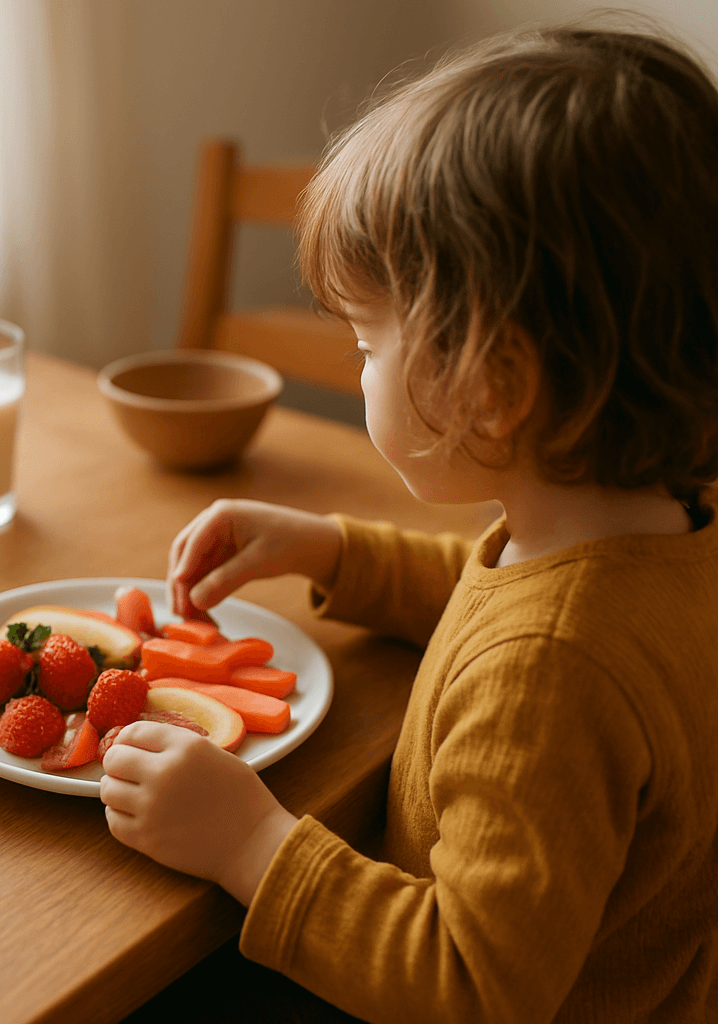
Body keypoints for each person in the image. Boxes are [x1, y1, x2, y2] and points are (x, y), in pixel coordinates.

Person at [100, 21, 718, 1023]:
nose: (357, 367)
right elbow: (503, 599)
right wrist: (333, 548)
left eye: (365, 340)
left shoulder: (553, 674)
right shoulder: (658, 526)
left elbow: (473, 986)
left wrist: (250, 843)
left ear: (495, 385)